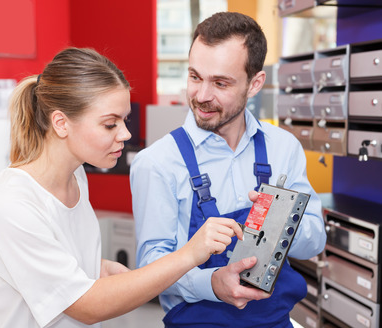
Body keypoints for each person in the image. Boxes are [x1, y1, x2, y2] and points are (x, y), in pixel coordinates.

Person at [0, 47, 249, 328]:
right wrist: (189, 254)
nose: (126, 134)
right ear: (61, 123)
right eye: (109, 124)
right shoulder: (12, 204)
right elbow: (86, 306)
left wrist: (111, 271)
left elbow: (71, 266)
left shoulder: (76, 176)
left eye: (124, 120)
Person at [130, 12, 327, 328]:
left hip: (275, 320)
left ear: (255, 84)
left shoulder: (284, 148)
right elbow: (150, 270)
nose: (202, 96)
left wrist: (280, 222)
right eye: (195, 77)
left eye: (220, 83)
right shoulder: (156, 163)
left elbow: (315, 241)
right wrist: (211, 284)